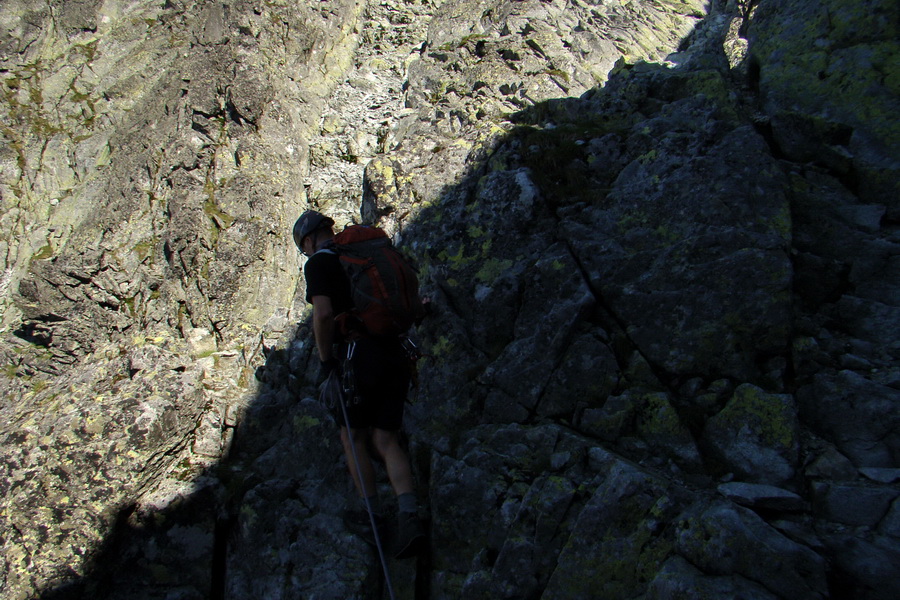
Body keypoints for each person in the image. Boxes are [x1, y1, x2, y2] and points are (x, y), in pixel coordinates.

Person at [293, 209, 425, 560]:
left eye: (303, 248)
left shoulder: (318, 264)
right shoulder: (363, 253)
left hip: (357, 354)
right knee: (386, 437)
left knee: (352, 436)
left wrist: (325, 363)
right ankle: (409, 515)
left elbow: (322, 315)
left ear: (307, 241)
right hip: (395, 349)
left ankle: (372, 518)